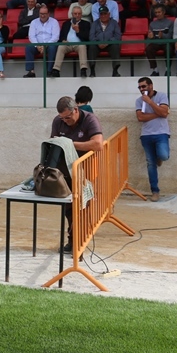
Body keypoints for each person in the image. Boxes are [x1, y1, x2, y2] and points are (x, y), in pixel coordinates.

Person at [49, 96, 104, 252]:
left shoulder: (90, 120)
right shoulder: (58, 121)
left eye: (68, 117)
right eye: (62, 118)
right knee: (69, 208)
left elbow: (98, 144)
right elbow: (54, 143)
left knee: (83, 207)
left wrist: (69, 144)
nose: (65, 121)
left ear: (76, 110)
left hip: (86, 170)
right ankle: (73, 241)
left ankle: (80, 241)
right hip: (66, 171)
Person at [135, 77, 170, 202]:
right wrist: (158, 114)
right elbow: (140, 118)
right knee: (150, 164)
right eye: (139, 87)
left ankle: (158, 157)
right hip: (146, 135)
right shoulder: (139, 101)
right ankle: (155, 191)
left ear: (151, 86)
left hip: (161, 133)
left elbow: (164, 112)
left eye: (143, 86)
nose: (141, 89)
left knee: (164, 155)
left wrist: (150, 102)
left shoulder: (161, 96)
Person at [50, 5, 91, 78]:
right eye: (75, 14)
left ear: (81, 15)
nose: (77, 15)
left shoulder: (86, 24)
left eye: (79, 14)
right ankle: (56, 70)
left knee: (82, 46)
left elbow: (87, 38)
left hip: (79, 44)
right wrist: (63, 40)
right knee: (61, 47)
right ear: (72, 14)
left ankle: (83, 69)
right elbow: (61, 36)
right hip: (67, 44)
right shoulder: (66, 23)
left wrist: (78, 31)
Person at [24, 6, 58, 78]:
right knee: (29, 47)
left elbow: (55, 37)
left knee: (52, 47)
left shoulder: (54, 22)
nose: (42, 15)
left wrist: (45, 45)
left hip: (49, 44)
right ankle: (31, 71)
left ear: (49, 14)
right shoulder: (34, 22)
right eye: (41, 13)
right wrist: (37, 46)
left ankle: (49, 71)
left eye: (44, 14)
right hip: (37, 45)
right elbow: (31, 36)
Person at [89, 6, 122, 77]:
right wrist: (97, 42)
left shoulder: (114, 23)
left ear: (109, 14)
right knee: (91, 47)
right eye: (101, 14)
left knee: (115, 46)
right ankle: (92, 70)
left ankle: (115, 70)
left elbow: (118, 36)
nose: (103, 16)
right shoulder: (95, 23)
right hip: (97, 44)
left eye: (105, 14)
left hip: (109, 44)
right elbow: (91, 36)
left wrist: (108, 42)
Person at [145, 4, 174, 77]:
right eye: (156, 13)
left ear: (164, 12)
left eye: (159, 12)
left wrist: (163, 36)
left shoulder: (170, 22)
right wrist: (150, 37)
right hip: (156, 42)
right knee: (148, 49)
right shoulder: (152, 24)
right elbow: (149, 37)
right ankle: (155, 70)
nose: (157, 14)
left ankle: (168, 69)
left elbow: (170, 36)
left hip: (166, 42)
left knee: (169, 49)